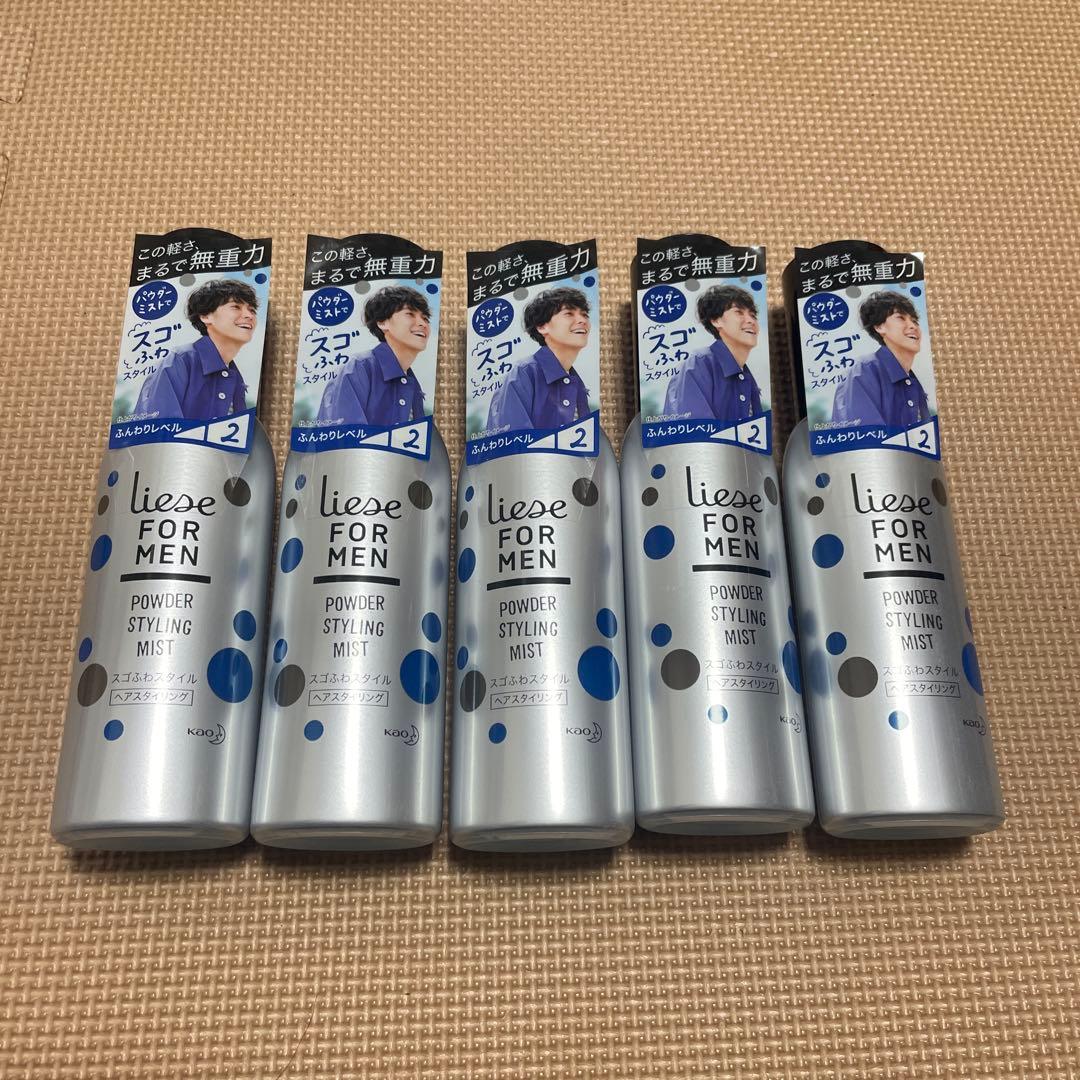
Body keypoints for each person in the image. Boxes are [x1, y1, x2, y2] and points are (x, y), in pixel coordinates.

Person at [135, 279, 257, 421]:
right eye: (236, 307)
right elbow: (157, 426)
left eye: (252, 310)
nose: (249, 316)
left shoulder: (236, 377)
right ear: (205, 316)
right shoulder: (179, 360)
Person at [316, 286, 431, 426]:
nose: (423, 323)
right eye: (410, 314)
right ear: (382, 322)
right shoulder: (358, 368)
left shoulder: (413, 384)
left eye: (425, 318)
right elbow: (341, 434)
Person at [485, 286, 592, 431]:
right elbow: (511, 439)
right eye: (569, 313)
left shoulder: (577, 384)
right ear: (542, 327)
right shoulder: (523, 373)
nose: (582, 320)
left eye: (585, 315)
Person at [662, 285, 762, 422]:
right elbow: (693, 430)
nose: (751, 320)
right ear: (716, 320)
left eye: (753, 315)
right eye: (739, 312)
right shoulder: (698, 364)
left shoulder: (746, 376)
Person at [832, 290, 929, 427]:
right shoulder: (863, 372)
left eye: (914, 321)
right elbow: (864, 436)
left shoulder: (913, 382)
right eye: (901, 318)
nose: (913, 326)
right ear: (879, 326)